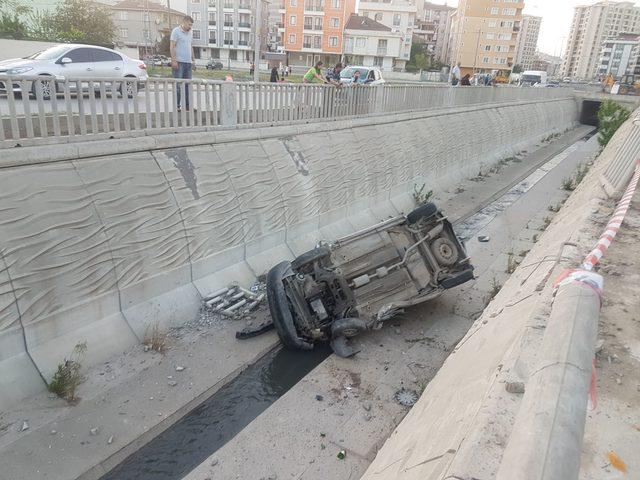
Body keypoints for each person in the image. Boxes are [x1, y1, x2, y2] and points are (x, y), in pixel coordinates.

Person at [170, 15, 195, 111]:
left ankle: (188, 106)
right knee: (178, 86)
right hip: (179, 63)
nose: (190, 27)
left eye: (191, 25)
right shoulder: (176, 31)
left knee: (188, 86)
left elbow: (191, 46)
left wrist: (193, 60)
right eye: (189, 25)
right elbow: (172, 46)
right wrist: (174, 60)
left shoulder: (190, 32)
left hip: (188, 63)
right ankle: (177, 107)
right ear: (184, 22)